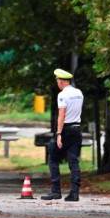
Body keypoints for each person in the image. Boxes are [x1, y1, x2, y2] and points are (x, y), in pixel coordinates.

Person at [42, 69, 84, 202]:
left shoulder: (62, 95)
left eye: (57, 81)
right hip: (77, 129)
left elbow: (62, 115)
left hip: (65, 129)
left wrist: (59, 134)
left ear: (61, 81)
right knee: (73, 161)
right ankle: (74, 193)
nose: (57, 83)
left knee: (53, 156)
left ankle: (56, 191)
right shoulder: (79, 93)